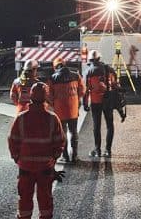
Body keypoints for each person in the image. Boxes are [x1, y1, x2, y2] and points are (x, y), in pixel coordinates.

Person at [8, 82, 65, 219]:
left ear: (31, 98)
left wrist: (17, 158)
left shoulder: (21, 118)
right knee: (45, 201)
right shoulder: (52, 119)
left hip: (25, 168)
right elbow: (60, 142)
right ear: (46, 98)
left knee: (24, 200)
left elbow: (12, 140)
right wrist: (53, 159)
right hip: (45, 168)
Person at [83, 50, 119, 158]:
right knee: (109, 125)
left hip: (95, 102)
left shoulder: (88, 72)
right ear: (99, 58)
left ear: (90, 60)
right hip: (107, 100)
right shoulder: (109, 69)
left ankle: (97, 150)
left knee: (96, 126)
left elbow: (86, 90)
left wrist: (85, 104)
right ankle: (108, 150)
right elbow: (115, 84)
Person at [48, 57, 84, 163]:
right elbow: (82, 90)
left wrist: (53, 104)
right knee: (73, 131)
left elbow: (49, 95)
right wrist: (77, 100)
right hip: (73, 109)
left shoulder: (52, 78)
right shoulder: (76, 75)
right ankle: (75, 156)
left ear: (55, 67)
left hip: (59, 111)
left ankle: (65, 156)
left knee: (62, 133)